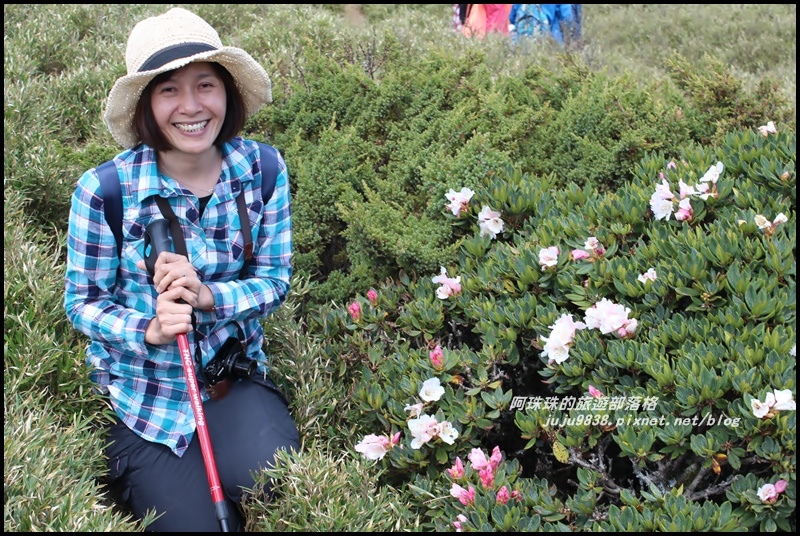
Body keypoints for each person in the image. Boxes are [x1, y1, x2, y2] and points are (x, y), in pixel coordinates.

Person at [64, 7, 299, 532]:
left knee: (277, 488)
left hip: (228, 382)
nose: (191, 106)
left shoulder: (262, 170)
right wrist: (148, 328)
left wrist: (209, 298)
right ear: (147, 103)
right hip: (140, 402)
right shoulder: (104, 192)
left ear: (227, 93)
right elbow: (81, 303)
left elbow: (275, 280)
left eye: (205, 85)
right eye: (168, 89)